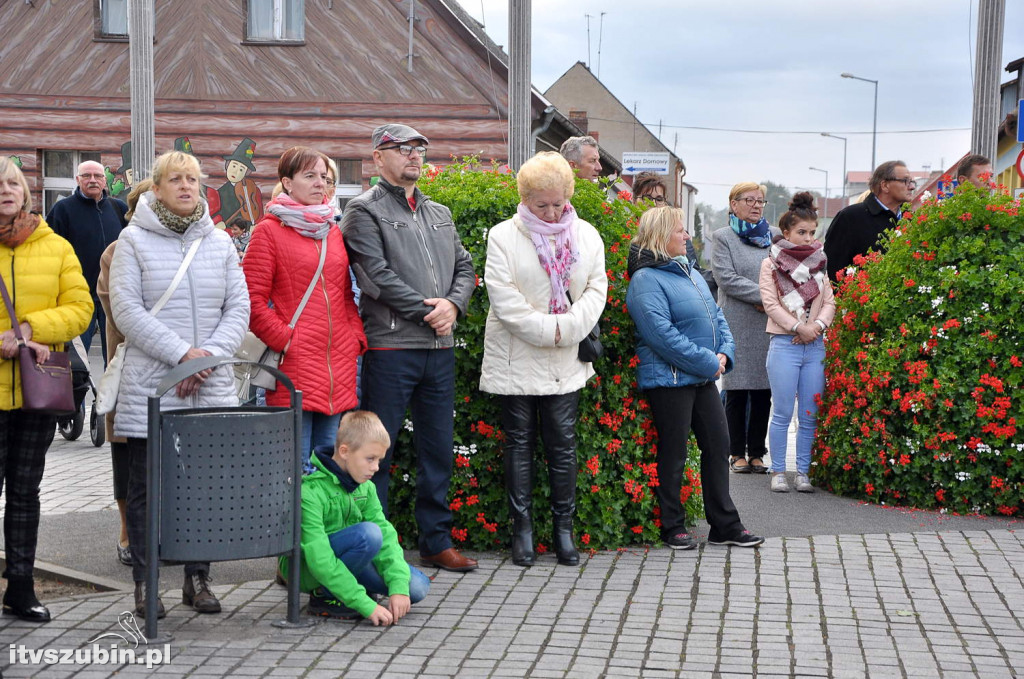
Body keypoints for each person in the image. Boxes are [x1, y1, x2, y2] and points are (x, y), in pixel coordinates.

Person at [109, 150, 249, 618]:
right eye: (175, 179)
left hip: (208, 382)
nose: (186, 186)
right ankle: (147, 587)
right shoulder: (132, 240)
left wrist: (204, 358)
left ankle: (198, 578)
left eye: (192, 179)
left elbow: (238, 309)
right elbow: (126, 310)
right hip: (154, 383)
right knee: (148, 489)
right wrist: (180, 357)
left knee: (203, 487)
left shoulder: (220, 243)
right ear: (157, 187)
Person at [341, 123, 477, 573]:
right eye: (401, 149)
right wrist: (430, 311)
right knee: (378, 452)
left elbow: (464, 265)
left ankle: (436, 542)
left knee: (438, 448)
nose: (414, 155)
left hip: (440, 348)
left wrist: (453, 306)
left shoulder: (439, 211)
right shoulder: (363, 211)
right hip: (391, 348)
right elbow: (375, 277)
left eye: (419, 148)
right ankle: (377, 547)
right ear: (378, 159)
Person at [480, 152, 607, 567]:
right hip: (517, 356)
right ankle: (523, 533)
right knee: (518, 444)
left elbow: (596, 290)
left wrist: (566, 329)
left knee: (562, 445)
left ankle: (563, 531)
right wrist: (548, 330)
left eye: (558, 203)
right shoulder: (502, 235)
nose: (552, 213)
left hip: (565, 359)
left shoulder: (587, 235)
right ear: (525, 198)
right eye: (541, 205)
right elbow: (503, 299)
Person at [626, 206, 764, 550]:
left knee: (718, 447)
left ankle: (725, 526)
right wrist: (708, 362)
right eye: (680, 231)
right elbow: (660, 336)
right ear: (661, 236)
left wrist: (725, 354)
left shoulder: (689, 271)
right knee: (672, 454)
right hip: (670, 381)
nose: (687, 236)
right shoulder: (645, 280)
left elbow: (717, 315)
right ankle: (672, 527)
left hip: (702, 376)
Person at [0, 157, 93, 622]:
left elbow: (81, 308)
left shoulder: (54, 247)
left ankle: (20, 586)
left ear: (26, 190)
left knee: (24, 491)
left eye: (13, 182)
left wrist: (32, 327)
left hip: (37, 391)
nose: (5, 190)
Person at [243, 146, 365, 467]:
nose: (319, 184)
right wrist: (287, 341)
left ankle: (321, 522)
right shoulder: (268, 232)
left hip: (336, 366)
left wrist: (354, 338)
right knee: (292, 471)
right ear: (287, 182)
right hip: (292, 366)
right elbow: (251, 301)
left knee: (328, 473)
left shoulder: (331, 231)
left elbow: (344, 295)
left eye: (323, 177)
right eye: (309, 176)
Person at [285, 410, 430, 623]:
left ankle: (347, 588)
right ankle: (324, 596)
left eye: (379, 460)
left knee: (417, 588)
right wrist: (365, 604)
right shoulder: (310, 491)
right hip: (310, 570)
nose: (376, 467)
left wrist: (398, 587)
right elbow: (320, 558)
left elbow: (387, 537)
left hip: (348, 561)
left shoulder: (366, 487)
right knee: (369, 534)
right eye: (370, 459)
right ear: (344, 451)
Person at [759, 193, 835, 493]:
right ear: (786, 233)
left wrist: (815, 326)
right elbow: (770, 303)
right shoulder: (770, 264)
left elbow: (829, 302)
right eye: (801, 232)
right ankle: (779, 470)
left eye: (812, 233)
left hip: (814, 345)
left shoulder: (821, 263)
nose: (807, 239)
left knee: (809, 413)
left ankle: (802, 471)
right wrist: (797, 327)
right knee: (781, 412)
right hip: (784, 344)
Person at [96, 178, 153, 568]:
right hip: (131, 367)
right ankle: (127, 531)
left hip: (181, 372)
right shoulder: (116, 251)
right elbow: (118, 312)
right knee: (126, 460)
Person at [712, 182, 776, 475]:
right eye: (748, 200)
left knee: (763, 389)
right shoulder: (722, 237)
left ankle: (757, 453)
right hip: (737, 318)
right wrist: (766, 296)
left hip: (768, 322)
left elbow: (784, 273)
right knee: (737, 389)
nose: (755, 205)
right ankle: (736, 452)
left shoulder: (773, 237)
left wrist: (773, 301)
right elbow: (726, 278)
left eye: (760, 201)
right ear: (733, 204)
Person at [45, 160, 127, 360]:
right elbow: (50, 254)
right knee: (76, 363)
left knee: (117, 361)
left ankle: (110, 393)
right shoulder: (62, 210)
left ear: (105, 181)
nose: (93, 180)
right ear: (78, 179)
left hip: (112, 297)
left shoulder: (118, 208)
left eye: (98, 176)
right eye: (87, 176)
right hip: (78, 297)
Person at [824, 161, 914, 279]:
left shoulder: (912, 220)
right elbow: (832, 268)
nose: (912, 187)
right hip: (860, 296)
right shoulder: (850, 218)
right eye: (905, 181)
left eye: (912, 181)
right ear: (885, 185)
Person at [632, 172, 716, 298]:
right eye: (647, 198)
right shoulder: (624, 230)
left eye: (659, 199)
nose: (654, 204)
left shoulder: (680, 236)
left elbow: (694, 273)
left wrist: (721, 276)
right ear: (634, 200)